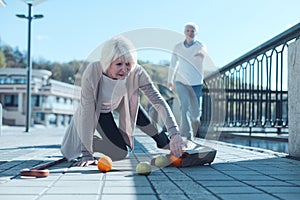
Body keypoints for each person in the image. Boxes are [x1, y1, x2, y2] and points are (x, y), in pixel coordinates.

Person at [61, 35, 185, 166]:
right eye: (119, 64)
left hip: (121, 101)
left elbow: (158, 101)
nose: (124, 69)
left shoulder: (136, 72)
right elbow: (87, 113)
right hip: (98, 110)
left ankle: (168, 143)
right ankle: (93, 142)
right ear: (107, 62)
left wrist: (175, 134)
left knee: (151, 127)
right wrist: (87, 153)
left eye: (128, 64)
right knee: (120, 152)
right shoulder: (93, 72)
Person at [168, 22, 207, 141]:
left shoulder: (200, 45)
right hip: (181, 81)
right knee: (183, 107)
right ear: (184, 32)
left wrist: (202, 53)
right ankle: (188, 133)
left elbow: (204, 51)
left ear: (196, 33)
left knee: (196, 114)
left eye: (193, 31)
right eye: (188, 30)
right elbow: (173, 64)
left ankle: (195, 123)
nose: (190, 33)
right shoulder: (178, 47)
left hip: (196, 82)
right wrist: (170, 80)